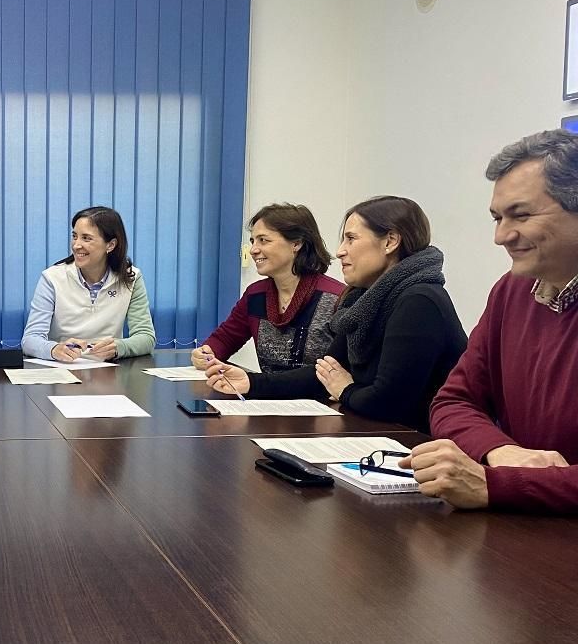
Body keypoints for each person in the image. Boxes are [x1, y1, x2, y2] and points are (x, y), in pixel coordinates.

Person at [403, 130, 578, 512]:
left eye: (520, 215)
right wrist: (499, 450)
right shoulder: (510, 292)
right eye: (497, 218)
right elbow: (453, 400)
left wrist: (502, 483)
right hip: (523, 541)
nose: (501, 236)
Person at [206, 196, 467, 432]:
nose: (340, 250)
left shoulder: (419, 301)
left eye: (351, 239)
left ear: (390, 242)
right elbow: (325, 373)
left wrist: (345, 389)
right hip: (378, 434)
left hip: (418, 445)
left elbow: (388, 402)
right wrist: (252, 383)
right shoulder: (363, 298)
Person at [192, 203, 344, 372]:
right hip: (266, 397)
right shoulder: (255, 294)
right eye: (252, 241)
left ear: (296, 244)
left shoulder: (337, 298)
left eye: (263, 240)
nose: (253, 250)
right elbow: (226, 338)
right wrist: (206, 353)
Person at [20, 206, 156, 361]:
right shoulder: (52, 278)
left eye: (86, 238)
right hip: (63, 372)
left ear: (110, 245)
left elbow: (146, 337)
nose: (76, 245)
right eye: (75, 236)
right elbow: (30, 339)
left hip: (109, 375)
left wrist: (119, 347)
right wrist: (54, 349)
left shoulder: (131, 277)